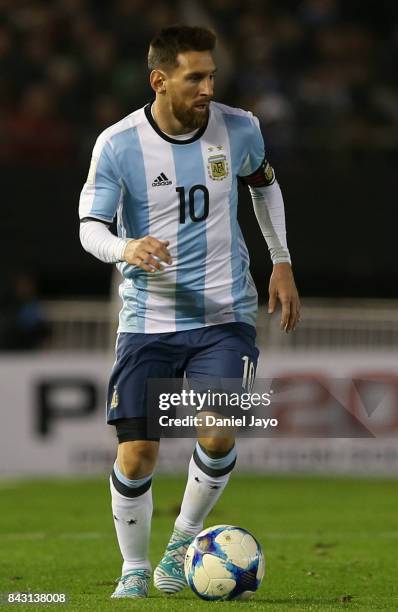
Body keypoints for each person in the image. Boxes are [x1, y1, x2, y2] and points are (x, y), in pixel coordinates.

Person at [79, 24, 300, 599]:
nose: (207, 87)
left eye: (212, 75)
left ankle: (182, 543)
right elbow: (89, 228)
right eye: (194, 77)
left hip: (225, 314)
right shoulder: (119, 144)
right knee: (136, 454)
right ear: (159, 80)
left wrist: (281, 261)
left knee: (221, 430)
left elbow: (264, 185)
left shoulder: (240, 128)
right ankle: (133, 569)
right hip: (148, 319)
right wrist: (125, 247)